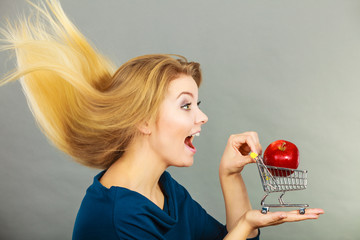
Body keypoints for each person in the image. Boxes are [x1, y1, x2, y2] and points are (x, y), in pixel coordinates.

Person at [0, 1, 324, 239]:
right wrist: (246, 225)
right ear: (142, 119)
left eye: (198, 104)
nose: (202, 116)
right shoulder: (118, 218)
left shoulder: (166, 192)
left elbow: (231, 238)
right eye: (186, 106)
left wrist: (230, 175)